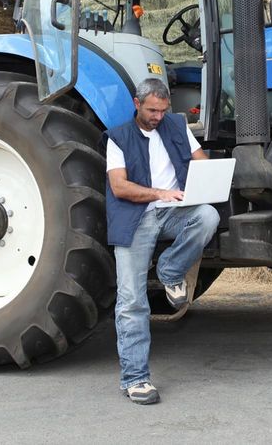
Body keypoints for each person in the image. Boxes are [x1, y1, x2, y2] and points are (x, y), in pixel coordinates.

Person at [104, 77, 220, 405]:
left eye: (163, 110)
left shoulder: (175, 125)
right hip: (135, 219)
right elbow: (120, 188)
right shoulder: (118, 138)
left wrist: (212, 178)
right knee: (131, 301)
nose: (158, 116)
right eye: (152, 110)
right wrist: (160, 194)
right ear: (137, 104)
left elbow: (200, 160)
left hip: (172, 212)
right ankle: (136, 378)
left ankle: (170, 272)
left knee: (208, 216)